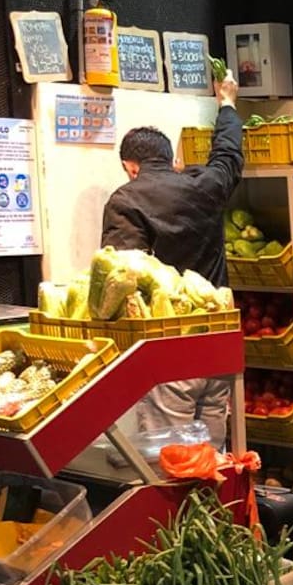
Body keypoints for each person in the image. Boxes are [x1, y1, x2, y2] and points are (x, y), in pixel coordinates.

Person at [101, 71, 243, 448]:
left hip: (172, 349)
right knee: (212, 456)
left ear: (132, 166)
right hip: (218, 341)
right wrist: (226, 103)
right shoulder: (205, 186)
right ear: (171, 160)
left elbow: (124, 276)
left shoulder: (126, 200)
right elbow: (228, 154)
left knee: (172, 458)